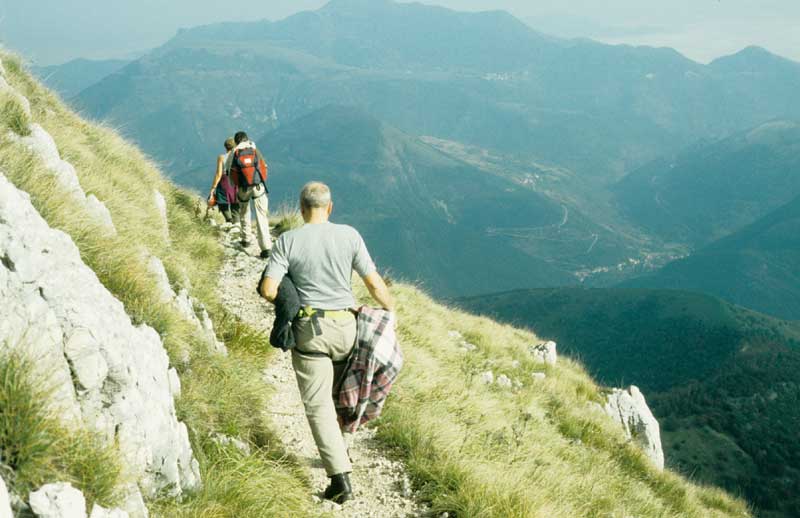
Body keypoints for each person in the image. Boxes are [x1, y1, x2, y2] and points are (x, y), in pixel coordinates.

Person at [258, 182, 394, 504]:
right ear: (330, 208)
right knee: (338, 394)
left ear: (301, 209)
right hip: (348, 328)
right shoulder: (350, 235)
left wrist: (289, 300)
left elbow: (267, 289)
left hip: (311, 331)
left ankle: (340, 480)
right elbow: (373, 283)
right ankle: (338, 446)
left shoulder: (288, 241)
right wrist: (391, 312)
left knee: (317, 403)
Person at [225, 131, 271, 258]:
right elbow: (264, 166)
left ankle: (246, 239)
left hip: (243, 188)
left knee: (244, 211)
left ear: (237, 141)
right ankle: (266, 248)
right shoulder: (254, 149)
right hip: (258, 186)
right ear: (247, 139)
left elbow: (228, 171)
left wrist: (235, 184)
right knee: (261, 215)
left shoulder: (235, 152)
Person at [208, 137, 238, 223]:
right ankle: (236, 223)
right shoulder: (238, 155)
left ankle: (229, 220)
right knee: (235, 203)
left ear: (225, 147)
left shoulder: (221, 157)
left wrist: (213, 188)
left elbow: (219, 174)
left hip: (225, 181)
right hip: (236, 181)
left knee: (222, 202)